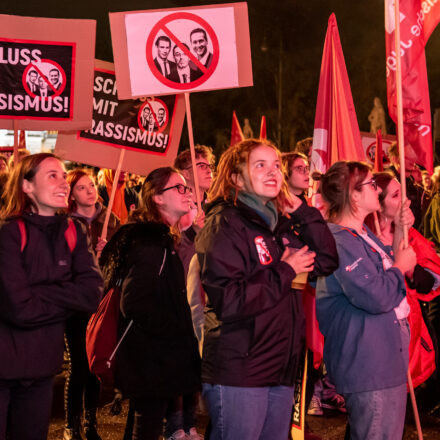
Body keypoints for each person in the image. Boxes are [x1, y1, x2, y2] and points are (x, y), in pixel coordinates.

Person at [195, 138, 320, 440]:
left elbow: (327, 260)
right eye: (260, 165)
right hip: (242, 370)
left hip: (279, 367)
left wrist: (302, 211)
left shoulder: (278, 224)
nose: (272, 172)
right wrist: (286, 269)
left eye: (276, 165)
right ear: (236, 178)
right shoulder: (224, 224)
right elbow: (230, 300)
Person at [0, 153, 102, 440]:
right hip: (4, 367)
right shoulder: (9, 233)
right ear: (27, 186)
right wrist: (67, 298)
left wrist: (41, 292)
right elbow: (19, 309)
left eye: (64, 175)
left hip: (43, 369)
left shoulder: (74, 230)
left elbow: (92, 294)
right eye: (52, 175)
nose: (64, 183)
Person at [316, 161, 417, 440]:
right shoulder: (339, 240)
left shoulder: (360, 234)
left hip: (384, 361)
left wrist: (399, 229)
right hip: (368, 365)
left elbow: (394, 263)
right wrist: (399, 268)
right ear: (354, 195)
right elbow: (377, 296)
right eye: (371, 184)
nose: (377, 188)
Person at [99, 167, 201, 440]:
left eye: (186, 187)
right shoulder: (150, 243)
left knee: (147, 423)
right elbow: (134, 303)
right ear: (157, 197)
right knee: (148, 426)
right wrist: (178, 329)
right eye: (178, 188)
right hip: (151, 355)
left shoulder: (162, 237)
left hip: (155, 354)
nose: (186, 192)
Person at [368, 171, 440, 391]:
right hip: (376, 333)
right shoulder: (364, 239)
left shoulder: (412, 236)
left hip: (410, 327)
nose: (406, 201)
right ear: (378, 204)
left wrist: (412, 271)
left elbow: (428, 283)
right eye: (396, 195)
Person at [63, 168, 121, 440]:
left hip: (101, 304)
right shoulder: (64, 224)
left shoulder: (112, 221)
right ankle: (71, 424)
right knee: (79, 364)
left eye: (91, 185)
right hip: (75, 305)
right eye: (82, 188)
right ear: (72, 196)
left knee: (94, 363)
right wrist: (89, 254)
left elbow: (121, 263)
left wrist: (108, 253)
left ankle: (91, 422)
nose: (90, 190)